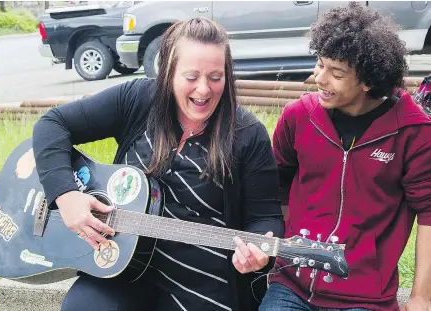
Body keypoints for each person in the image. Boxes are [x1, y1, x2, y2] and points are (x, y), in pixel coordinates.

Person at [32, 17, 284, 311]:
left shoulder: (247, 133)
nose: (204, 90)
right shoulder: (138, 100)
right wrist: (64, 193)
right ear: (168, 72)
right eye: (191, 77)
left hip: (202, 277)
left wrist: (260, 253)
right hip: (121, 262)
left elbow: (265, 217)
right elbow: (53, 124)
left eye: (215, 78)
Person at [260, 3, 431, 311]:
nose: (320, 79)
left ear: (368, 81)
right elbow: (278, 188)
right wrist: (285, 249)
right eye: (320, 64)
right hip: (292, 286)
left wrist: (421, 297)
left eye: (336, 73)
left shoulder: (413, 132)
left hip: (366, 297)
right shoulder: (297, 117)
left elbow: (429, 214)